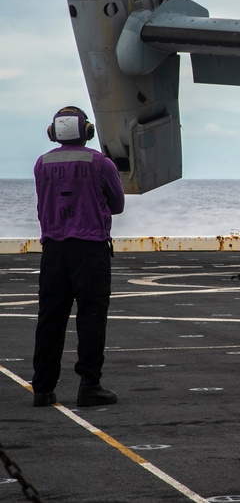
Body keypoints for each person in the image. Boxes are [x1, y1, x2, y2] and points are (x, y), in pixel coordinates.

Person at [32, 106, 125, 408]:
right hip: (90, 249)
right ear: (87, 131)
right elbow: (118, 204)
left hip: (54, 250)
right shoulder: (100, 163)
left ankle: (43, 389)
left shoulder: (41, 164)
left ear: (54, 132)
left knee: (50, 319)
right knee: (92, 318)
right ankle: (89, 386)